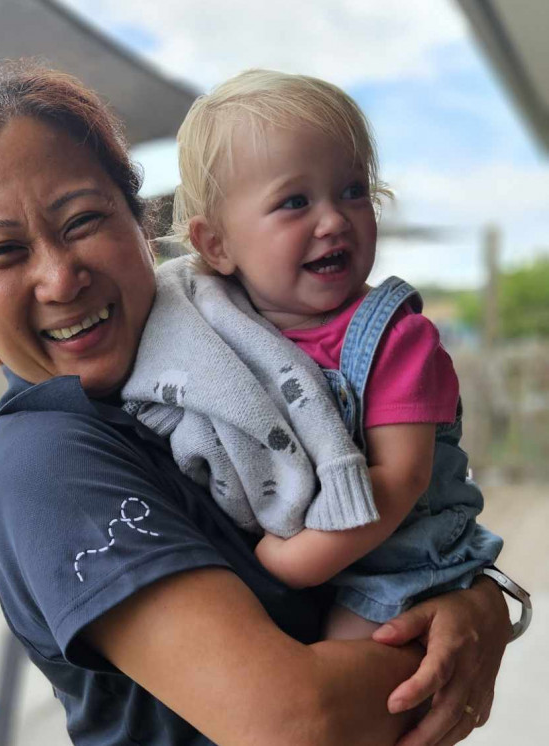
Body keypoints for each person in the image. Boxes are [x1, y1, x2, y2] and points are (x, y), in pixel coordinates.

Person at [0, 61, 513, 745]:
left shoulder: (215, 357)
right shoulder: (47, 466)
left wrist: (477, 598)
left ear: (144, 224)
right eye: (4, 252)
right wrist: (467, 631)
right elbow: (299, 724)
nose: (59, 276)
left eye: (82, 220)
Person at [122, 70, 503, 641]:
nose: (333, 220)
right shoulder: (214, 331)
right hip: (317, 561)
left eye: (353, 191)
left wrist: (277, 567)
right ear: (216, 245)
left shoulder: (395, 340)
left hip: (400, 565)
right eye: (295, 202)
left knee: (344, 671)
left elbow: (400, 479)